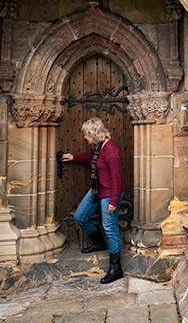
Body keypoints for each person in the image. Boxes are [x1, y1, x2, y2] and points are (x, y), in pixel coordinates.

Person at [62, 117, 126, 284]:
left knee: (110, 227)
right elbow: (93, 157)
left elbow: (116, 178)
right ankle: (99, 242)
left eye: (86, 134)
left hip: (109, 193)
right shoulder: (100, 147)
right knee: (80, 216)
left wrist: (113, 201)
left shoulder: (111, 150)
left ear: (94, 133)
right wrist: (73, 158)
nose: (84, 137)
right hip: (97, 190)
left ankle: (115, 268)